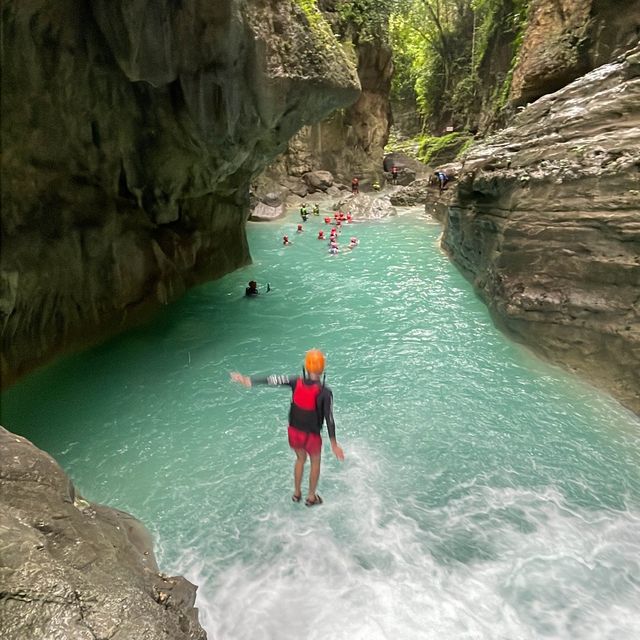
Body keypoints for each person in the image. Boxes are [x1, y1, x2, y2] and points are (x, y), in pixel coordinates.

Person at [230, 350, 344, 506]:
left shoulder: (295, 381)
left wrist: (248, 380)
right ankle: (311, 497)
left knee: (300, 459)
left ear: (306, 367)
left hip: (294, 433)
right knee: (315, 462)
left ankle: (296, 493)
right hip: (311, 436)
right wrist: (334, 444)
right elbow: (329, 419)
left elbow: (273, 379)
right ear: (322, 369)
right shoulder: (325, 392)